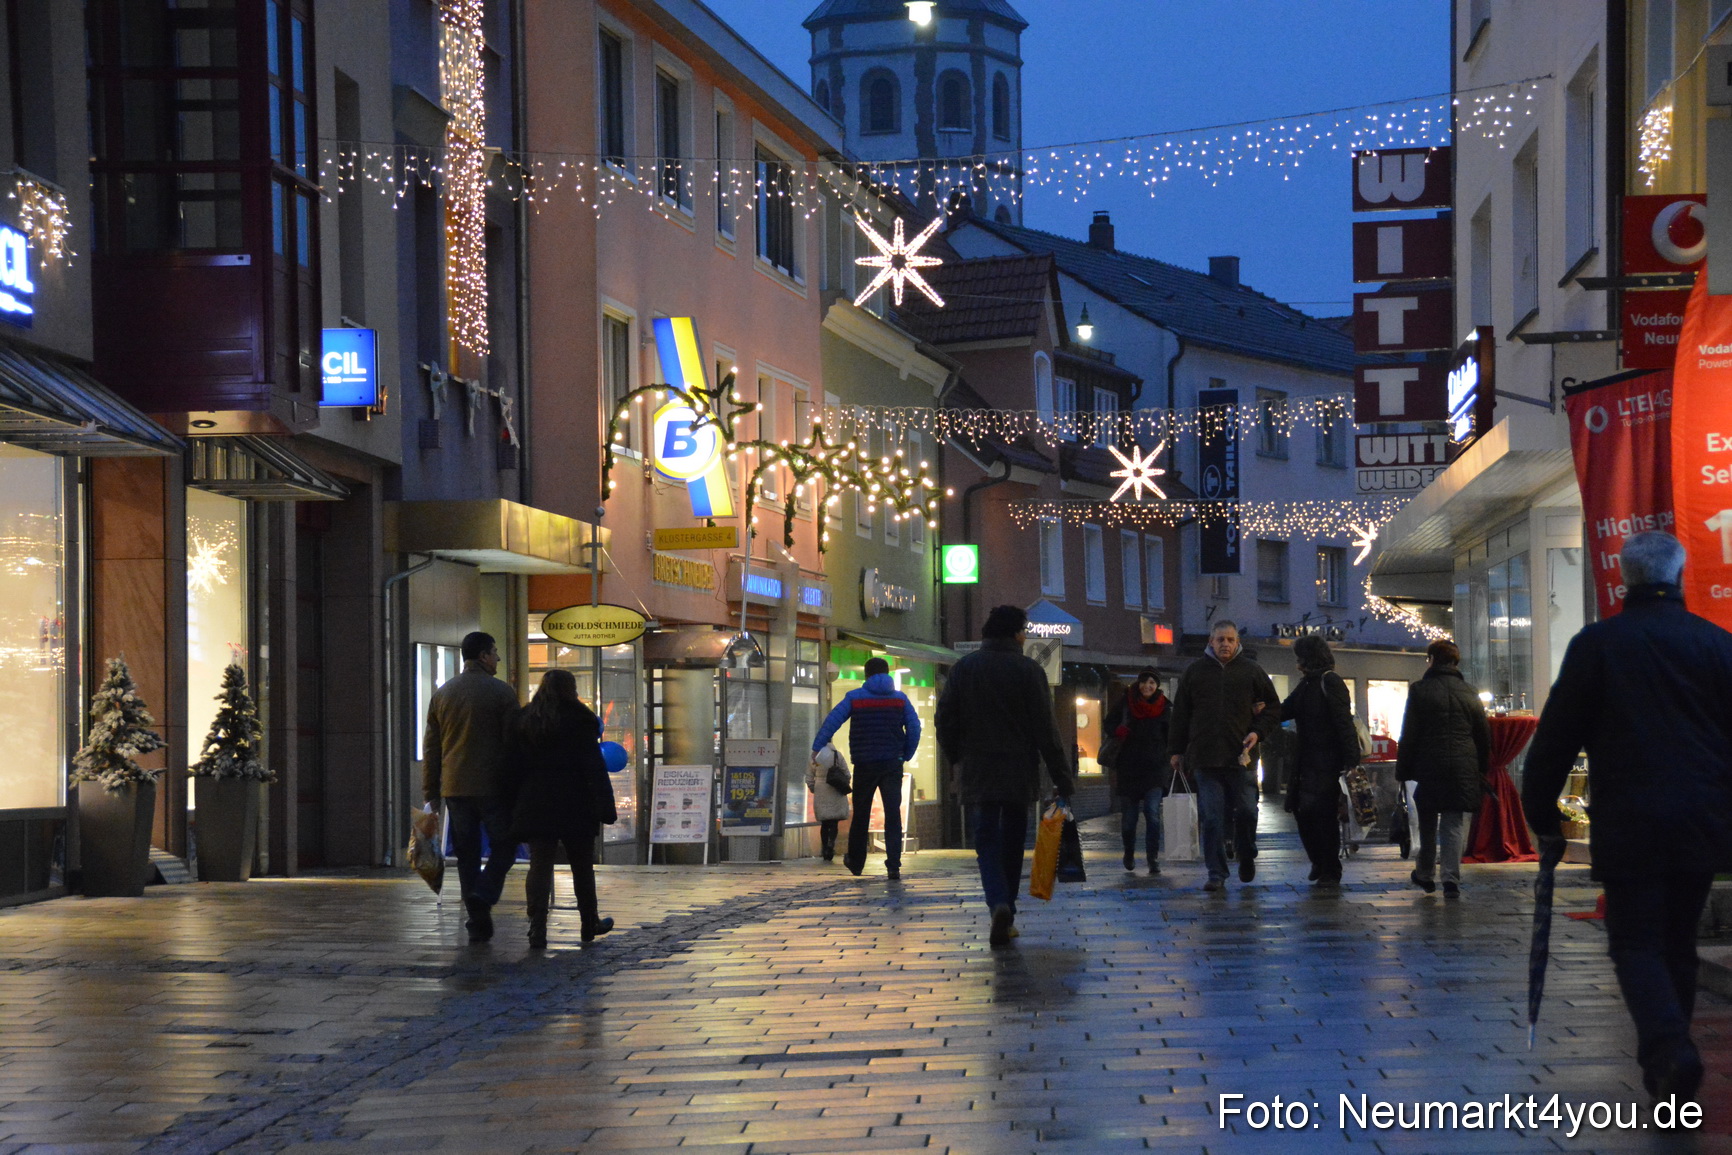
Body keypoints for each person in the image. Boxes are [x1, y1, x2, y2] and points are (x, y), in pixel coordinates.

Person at [1522, 531, 1732, 1102]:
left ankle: (1669, 1049)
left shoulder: (1598, 645)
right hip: (1703, 819)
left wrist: (1542, 815)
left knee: (1635, 941)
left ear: (1623, 578)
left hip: (1630, 819)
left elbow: (1556, 737)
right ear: (1679, 575)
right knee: (1678, 941)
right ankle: (1667, 1072)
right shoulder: (1717, 644)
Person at [936, 604, 1075, 946]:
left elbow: (945, 719)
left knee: (985, 840)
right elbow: (1046, 729)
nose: (1025, 636)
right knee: (1013, 841)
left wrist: (957, 757)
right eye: (1024, 631)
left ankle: (997, 902)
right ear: (1016, 634)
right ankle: (1007, 909)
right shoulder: (1029, 671)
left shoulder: (964, 668)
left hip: (978, 769)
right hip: (1018, 770)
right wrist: (1062, 777)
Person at [422, 630, 520, 943]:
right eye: (494, 652)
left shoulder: (443, 694)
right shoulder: (502, 692)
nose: (498, 658)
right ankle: (485, 892)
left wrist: (430, 792)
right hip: (493, 786)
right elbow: (514, 742)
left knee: (467, 854)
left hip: (455, 788)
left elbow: (432, 748)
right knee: (505, 845)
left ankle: (478, 922)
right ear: (483, 656)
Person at [1168, 620, 1281, 891]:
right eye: (1220, 639)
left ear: (1237, 642)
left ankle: (1246, 851)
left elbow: (1273, 708)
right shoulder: (1195, 672)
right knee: (1211, 818)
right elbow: (1181, 714)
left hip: (1241, 757)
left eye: (1230, 639)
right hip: (1205, 757)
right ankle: (1216, 872)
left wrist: (1257, 732)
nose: (1225, 644)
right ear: (1211, 641)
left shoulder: (1251, 671)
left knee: (1246, 811)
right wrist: (1176, 750)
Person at [507, 670, 615, 947]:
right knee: (582, 865)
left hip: (537, 801)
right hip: (576, 801)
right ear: (571, 689)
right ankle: (589, 923)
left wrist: (512, 803)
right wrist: (605, 805)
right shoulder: (581, 719)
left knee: (539, 865)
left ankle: (537, 926)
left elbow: (513, 766)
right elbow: (594, 766)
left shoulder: (526, 719)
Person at [812, 656, 922, 879]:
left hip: (865, 763)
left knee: (861, 813)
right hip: (892, 763)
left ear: (866, 675)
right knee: (893, 813)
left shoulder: (855, 697)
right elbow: (914, 727)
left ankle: (856, 862)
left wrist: (817, 747)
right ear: (888, 673)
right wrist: (906, 754)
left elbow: (832, 721)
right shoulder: (900, 699)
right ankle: (893, 865)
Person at [1396, 639, 1490, 899]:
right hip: (1462, 765)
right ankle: (1450, 880)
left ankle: (1425, 874)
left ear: (1432, 660)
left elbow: (1409, 733)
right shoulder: (1470, 692)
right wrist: (1481, 769)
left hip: (1429, 764)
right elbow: (1483, 736)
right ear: (1455, 662)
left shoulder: (1419, 690)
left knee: (1426, 819)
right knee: (1453, 821)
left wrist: (1402, 770)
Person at [1280, 635, 1359, 890]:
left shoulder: (1329, 681)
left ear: (1308, 657)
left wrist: (1351, 762)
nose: (1297, 663)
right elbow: (1285, 709)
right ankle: (1319, 860)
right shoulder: (1306, 684)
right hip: (1305, 761)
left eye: (1299, 658)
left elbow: (1344, 722)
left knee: (1323, 814)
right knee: (1302, 810)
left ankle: (1330, 868)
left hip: (1328, 761)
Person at [1104, 668, 1170, 875]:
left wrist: (1172, 758)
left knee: (1152, 814)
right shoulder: (1126, 702)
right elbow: (1108, 723)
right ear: (1138, 683)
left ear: (1157, 686)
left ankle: (1153, 858)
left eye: (1152, 682)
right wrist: (1117, 730)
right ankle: (1129, 852)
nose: (1147, 686)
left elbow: (1172, 735)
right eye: (1144, 682)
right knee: (1129, 820)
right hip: (1129, 769)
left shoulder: (1165, 707)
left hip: (1155, 771)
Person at [807, 745, 851, 861]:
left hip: (821, 790)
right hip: (835, 789)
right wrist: (842, 784)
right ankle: (831, 844)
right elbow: (847, 773)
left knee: (825, 823)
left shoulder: (815, 756)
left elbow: (809, 777)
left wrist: (813, 788)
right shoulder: (837, 755)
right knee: (834, 821)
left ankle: (825, 847)